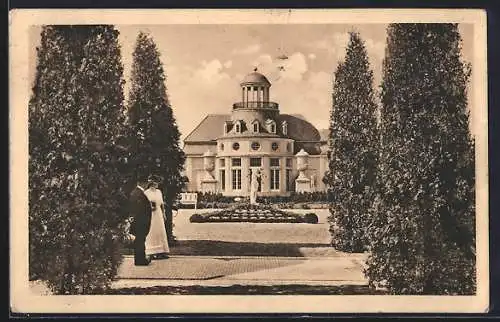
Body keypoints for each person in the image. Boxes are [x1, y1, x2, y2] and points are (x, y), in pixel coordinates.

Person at [128, 174, 152, 266]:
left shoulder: (136, 192)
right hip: (140, 222)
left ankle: (140, 259)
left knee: (140, 241)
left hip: (139, 221)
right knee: (140, 241)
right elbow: (139, 209)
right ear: (144, 183)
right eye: (146, 183)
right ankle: (140, 260)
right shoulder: (139, 194)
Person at [144, 175, 170, 260]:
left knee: (160, 231)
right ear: (152, 183)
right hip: (150, 214)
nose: (157, 184)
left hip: (158, 213)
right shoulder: (146, 193)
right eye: (156, 182)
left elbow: (162, 204)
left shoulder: (159, 192)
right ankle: (151, 252)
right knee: (152, 232)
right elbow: (144, 204)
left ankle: (161, 252)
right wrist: (150, 207)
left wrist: (164, 213)